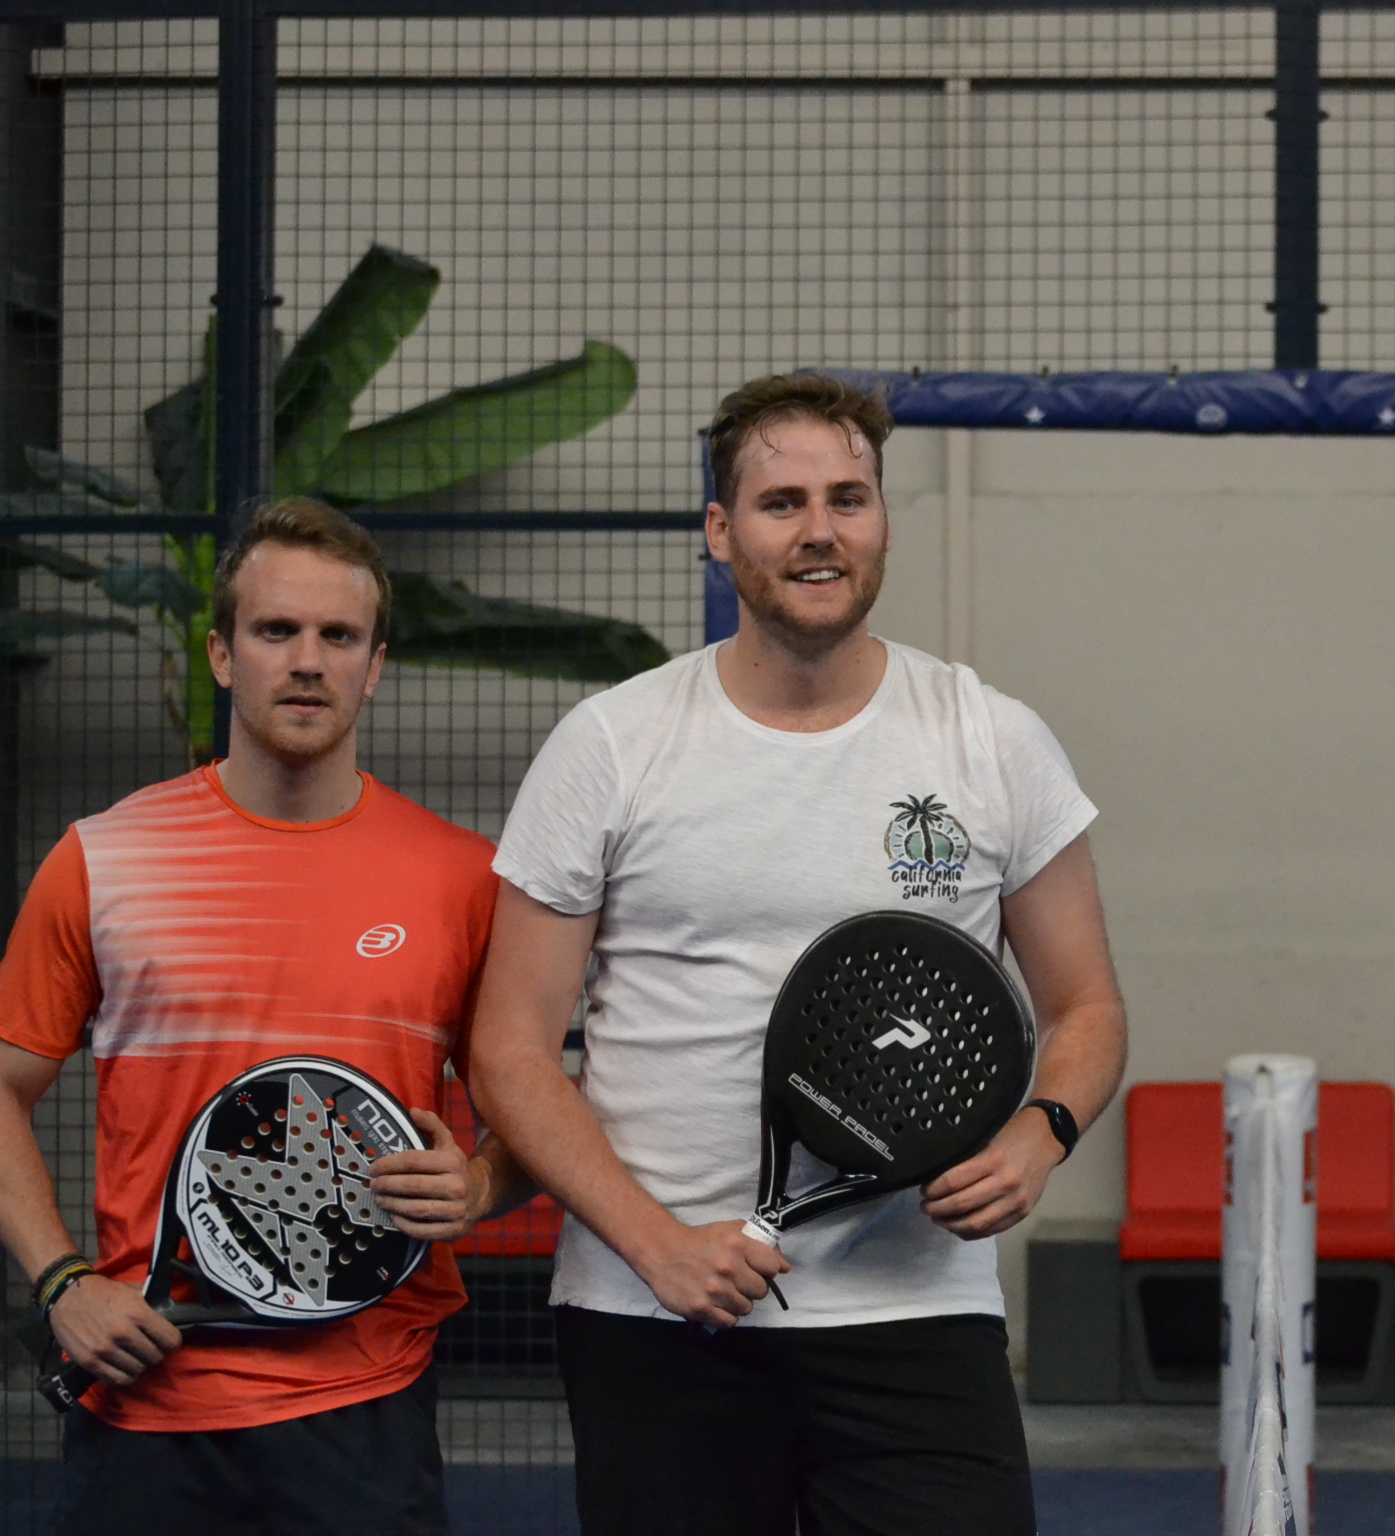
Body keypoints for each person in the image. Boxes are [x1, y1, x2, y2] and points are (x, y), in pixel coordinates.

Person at [464, 372, 1129, 1536]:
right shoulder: (611, 745)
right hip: (654, 1315)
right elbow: (509, 1050)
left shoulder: (992, 739)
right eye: (782, 503)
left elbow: (1087, 1009)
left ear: (881, 523)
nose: (820, 530)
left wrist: (1043, 1134)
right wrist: (660, 1248)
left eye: (847, 499)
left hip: (916, 1314)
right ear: (721, 532)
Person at [0, 497, 527, 1536]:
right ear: (221, 655)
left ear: (374, 667)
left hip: (365, 1410)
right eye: (276, 630)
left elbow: (539, 1104)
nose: (308, 661)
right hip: (144, 1398)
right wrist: (61, 1282)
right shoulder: (103, 858)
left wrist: (478, 1184)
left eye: (340, 636)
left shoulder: (462, 879)